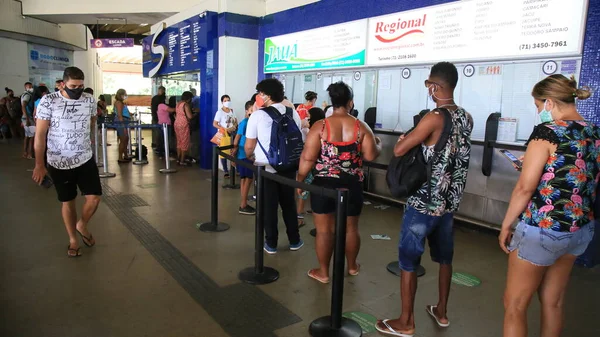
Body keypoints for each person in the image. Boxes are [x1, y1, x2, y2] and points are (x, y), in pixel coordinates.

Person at [375, 62, 473, 337]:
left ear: (435, 86)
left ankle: (406, 321)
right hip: (449, 203)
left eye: (430, 85)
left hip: (423, 204)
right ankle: (441, 311)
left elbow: (399, 148)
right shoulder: (467, 117)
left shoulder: (434, 117)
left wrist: (409, 137)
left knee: (408, 261)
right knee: (444, 258)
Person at [498, 75, 597, 337]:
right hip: (580, 229)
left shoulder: (547, 132)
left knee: (515, 304)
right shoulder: (594, 131)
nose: (538, 111)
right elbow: (580, 173)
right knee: (553, 301)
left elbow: (525, 188)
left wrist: (506, 224)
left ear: (550, 102)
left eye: (538, 105)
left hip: (543, 228)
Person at [298, 83, 381, 283]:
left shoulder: (320, 127)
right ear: (350, 103)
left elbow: (308, 159)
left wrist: (300, 180)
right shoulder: (361, 127)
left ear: (332, 103)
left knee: (324, 230)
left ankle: (324, 272)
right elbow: (370, 155)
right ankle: (352, 266)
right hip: (351, 185)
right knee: (351, 228)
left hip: (323, 185)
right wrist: (377, 143)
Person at [32, 66, 101, 258]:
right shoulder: (49, 101)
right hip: (59, 162)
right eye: (73, 86)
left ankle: (82, 224)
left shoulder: (89, 100)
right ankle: (73, 239)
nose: (77, 89)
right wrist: (39, 164)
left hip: (84, 157)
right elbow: (40, 135)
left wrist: (87, 137)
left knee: (94, 198)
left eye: (80, 86)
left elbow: (92, 121)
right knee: (68, 202)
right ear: (63, 84)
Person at [245, 78, 304, 254]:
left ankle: (271, 243)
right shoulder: (293, 113)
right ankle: (295, 240)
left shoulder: (257, 115)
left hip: (266, 168)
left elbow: (249, 146)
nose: (259, 96)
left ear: (267, 95)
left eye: (261, 93)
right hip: (289, 166)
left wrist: (250, 157)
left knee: (268, 207)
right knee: (289, 205)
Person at [296, 107, 326, 227]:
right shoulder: (318, 130)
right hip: (318, 166)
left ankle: (299, 214)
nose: (306, 118)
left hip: (312, 165)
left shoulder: (312, 131)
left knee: (303, 190)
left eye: (308, 116)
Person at [233, 100, 256, 215]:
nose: (254, 112)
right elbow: (237, 137)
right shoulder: (245, 122)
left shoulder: (250, 122)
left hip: (244, 153)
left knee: (244, 179)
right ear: (247, 111)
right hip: (245, 154)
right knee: (248, 179)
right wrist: (234, 153)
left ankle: (243, 202)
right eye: (252, 110)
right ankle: (243, 204)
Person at [213, 94, 237, 178]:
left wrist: (234, 126)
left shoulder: (232, 111)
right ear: (222, 102)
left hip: (232, 134)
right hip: (223, 134)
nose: (227, 102)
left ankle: (235, 169)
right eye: (225, 101)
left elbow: (235, 121)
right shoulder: (219, 112)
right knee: (223, 153)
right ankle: (225, 170)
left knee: (232, 151)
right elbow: (215, 124)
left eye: (228, 100)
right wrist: (224, 129)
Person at [174, 91, 196, 166]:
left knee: (179, 142)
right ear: (189, 98)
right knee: (184, 142)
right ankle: (182, 161)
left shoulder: (178, 103)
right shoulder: (186, 105)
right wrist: (196, 113)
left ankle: (178, 159)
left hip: (177, 123)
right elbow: (190, 116)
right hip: (183, 124)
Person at [114, 88, 131, 163]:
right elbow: (120, 115)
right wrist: (123, 126)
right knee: (123, 139)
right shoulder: (118, 103)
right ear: (121, 95)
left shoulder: (122, 103)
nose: (126, 95)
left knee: (126, 139)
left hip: (124, 121)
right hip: (121, 122)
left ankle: (125, 155)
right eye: (125, 94)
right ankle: (120, 157)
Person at [21, 82, 35, 159]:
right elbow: (23, 105)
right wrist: (27, 118)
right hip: (28, 118)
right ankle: (30, 154)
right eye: (29, 87)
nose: (30, 88)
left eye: (31, 86)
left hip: (25, 117)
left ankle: (25, 153)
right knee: (31, 136)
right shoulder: (27, 95)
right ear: (25, 87)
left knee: (27, 136)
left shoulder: (24, 95)